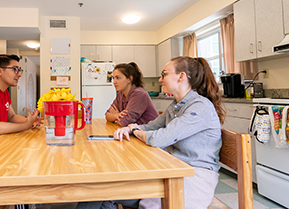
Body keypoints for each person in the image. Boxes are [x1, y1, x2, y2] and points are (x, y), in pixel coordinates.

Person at [79, 57, 226, 209]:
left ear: (181, 77)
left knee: (98, 189)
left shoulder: (199, 107)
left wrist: (134, 130)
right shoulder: (176, 105)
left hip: (192, 178)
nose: (160, 79)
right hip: (170, 170)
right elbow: (151, 126)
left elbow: (159, 138)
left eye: (164, 74)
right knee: (98, 186)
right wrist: (130, 128)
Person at [105, 62, 158, 127]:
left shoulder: (139, 94)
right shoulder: (120, 94)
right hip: (135, 132)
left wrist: (116, 116)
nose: (114, 82)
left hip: (149, 134)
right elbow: (107, 115)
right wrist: (116, 115)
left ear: (129, 79)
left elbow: (124, 122)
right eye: (113, 78)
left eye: (118, 78)